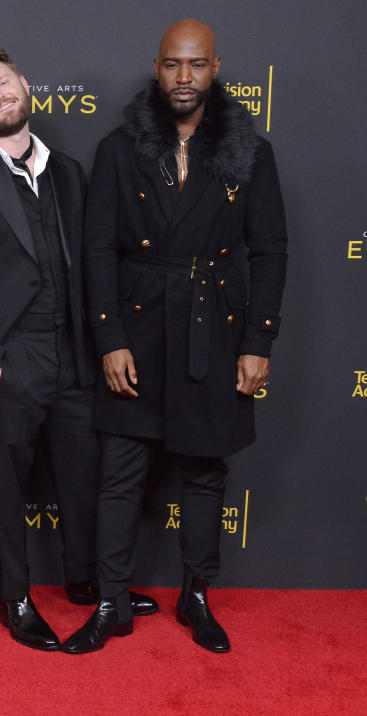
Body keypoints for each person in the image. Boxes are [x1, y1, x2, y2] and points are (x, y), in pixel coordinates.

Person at [64, 19, 287, 654]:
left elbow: (269, 250)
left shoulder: (252, 151)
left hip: (211, 331)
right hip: (136, 326)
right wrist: (109, 338)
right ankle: (110, 603)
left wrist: (258, 342)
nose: (183, 78)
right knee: (119, 473)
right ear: (156, 69)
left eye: (195, 65)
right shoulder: (118, 148)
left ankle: (196, 597)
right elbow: (98, 249)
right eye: (171, 65)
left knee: (203, 471)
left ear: (215, 67)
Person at [0, 42, 156, 652]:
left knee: (84, 478)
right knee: (6, 489)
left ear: (25, 85)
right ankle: (16, 598)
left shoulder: (70, 172)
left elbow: (90, 266)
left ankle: (87, 583)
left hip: (76, 355)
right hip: (12, 359)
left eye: (5, 82)